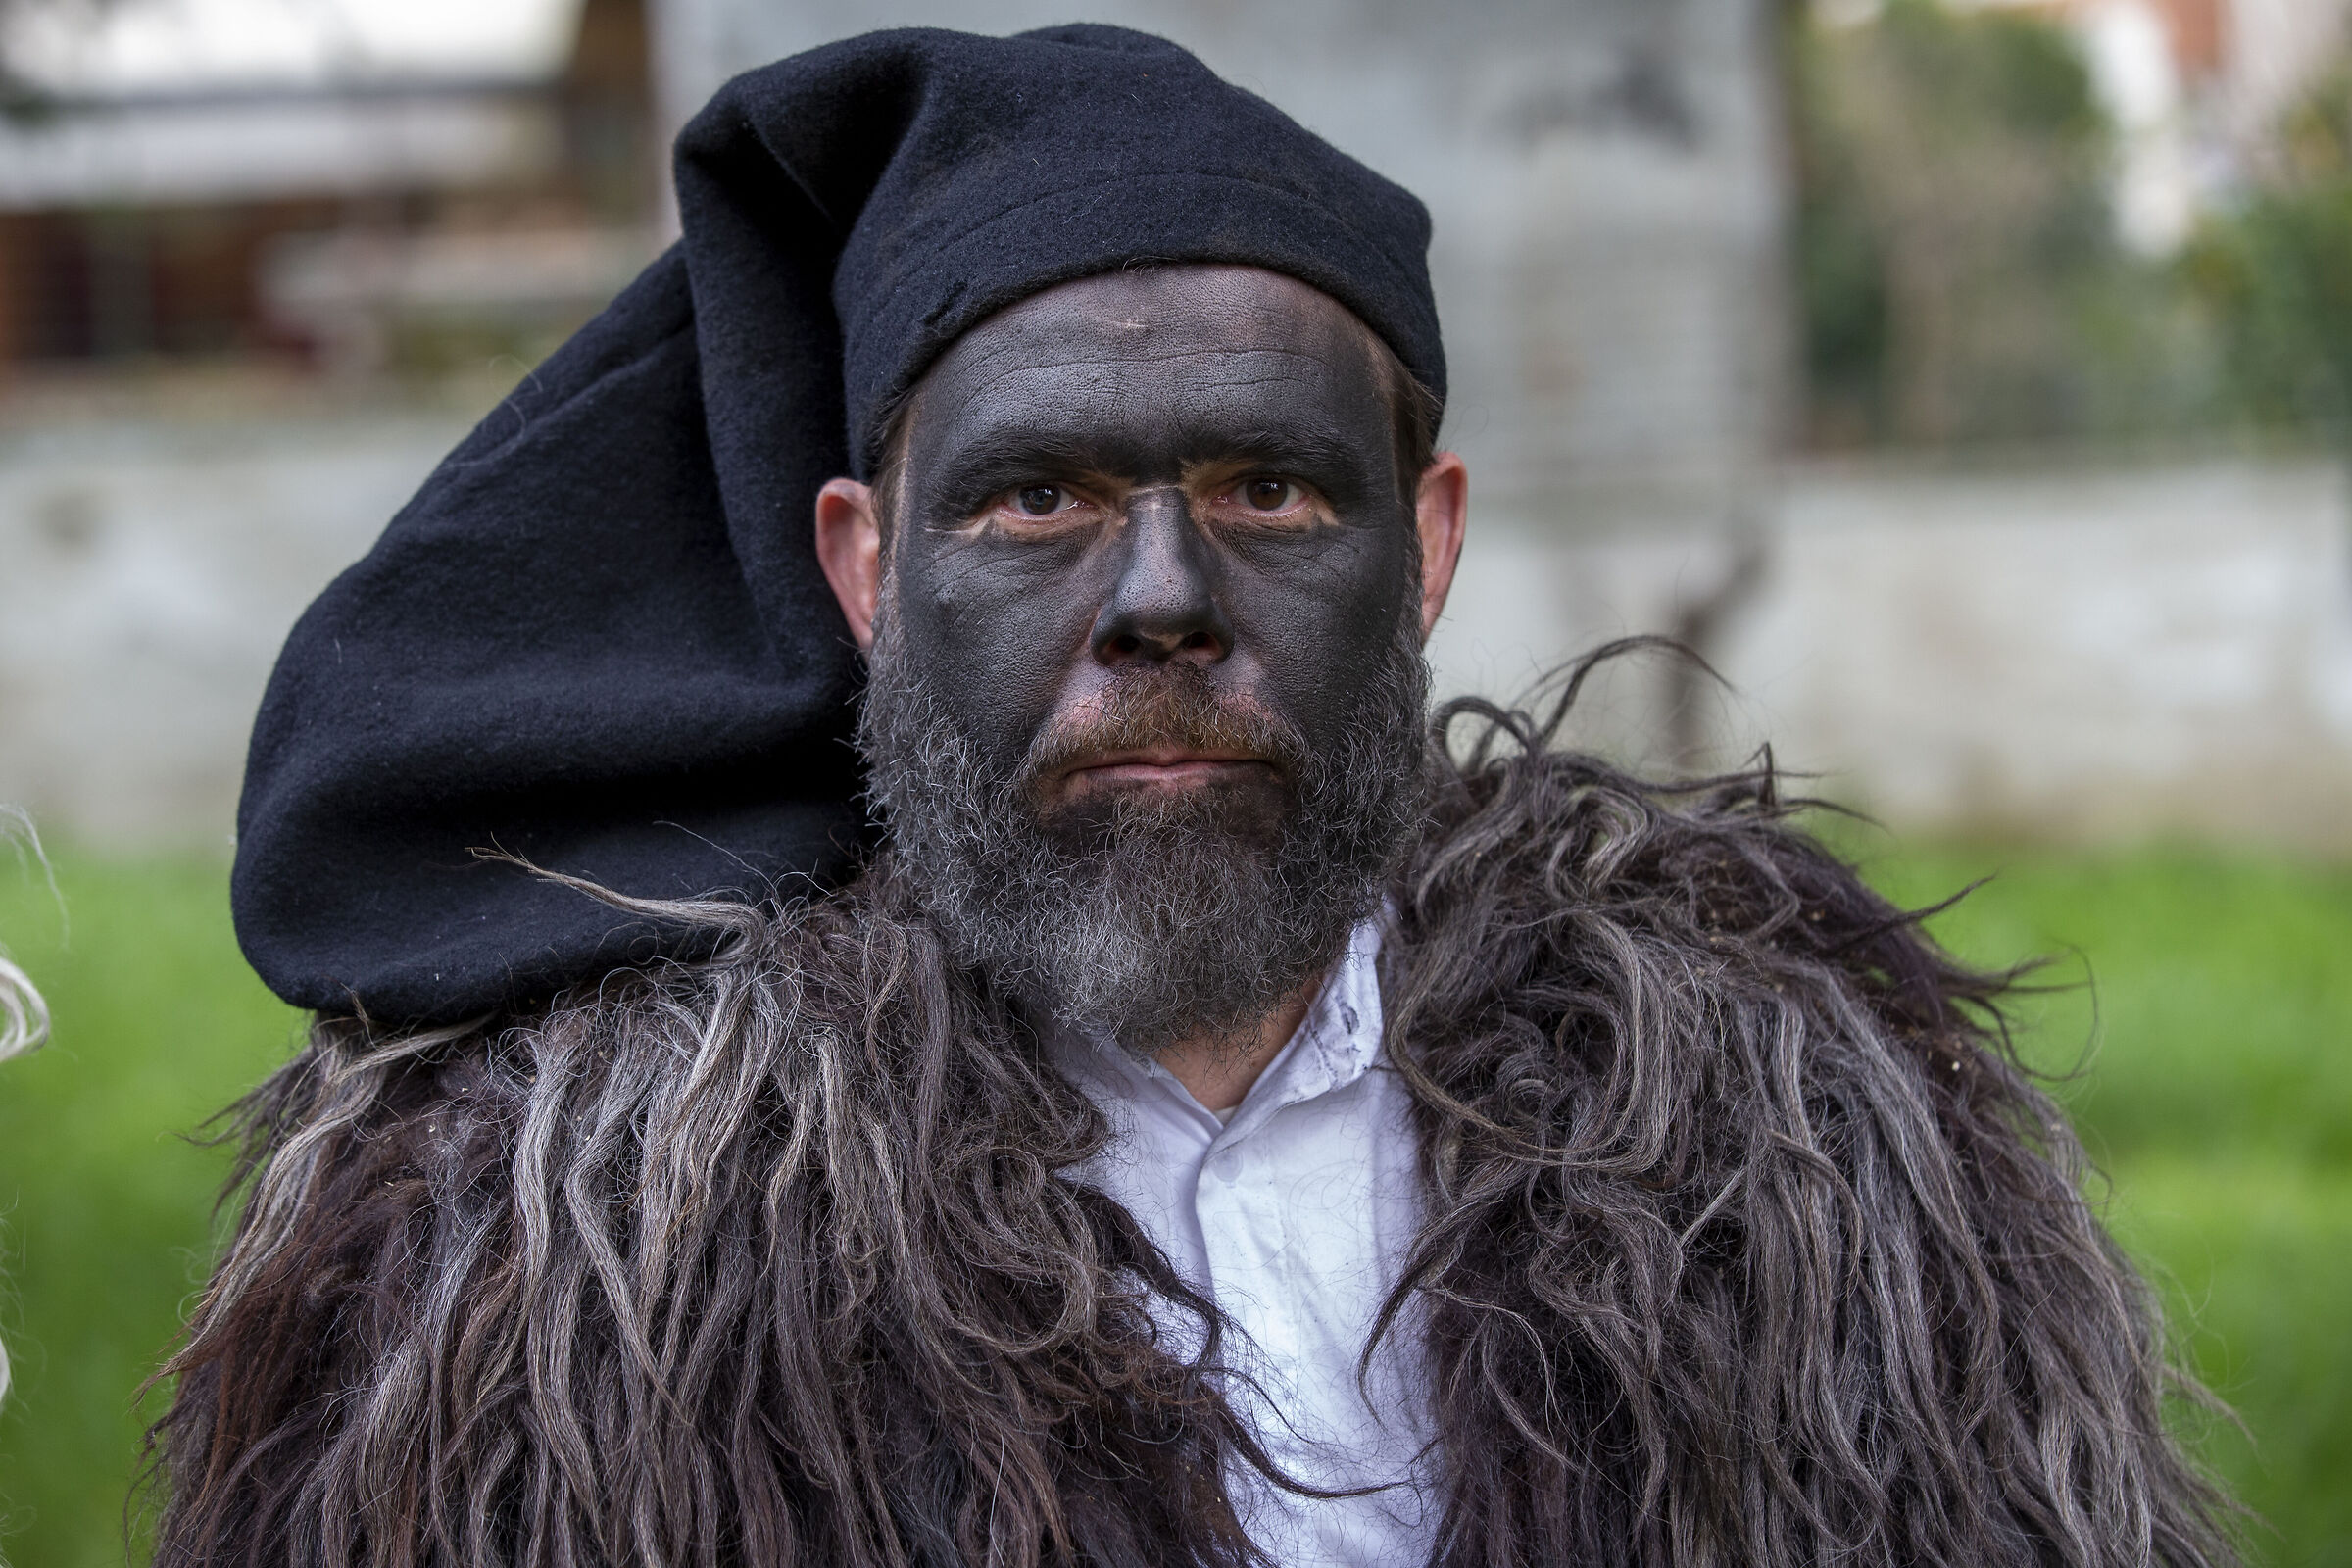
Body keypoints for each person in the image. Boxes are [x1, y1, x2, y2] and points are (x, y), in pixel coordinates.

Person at [151, 24, 2233, 1568]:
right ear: (867, 569)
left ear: (1421, 543)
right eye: (1038, 496)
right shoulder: (559, 1269)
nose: (1161, 601)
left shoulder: (1802, 1164)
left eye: (1265, 485)